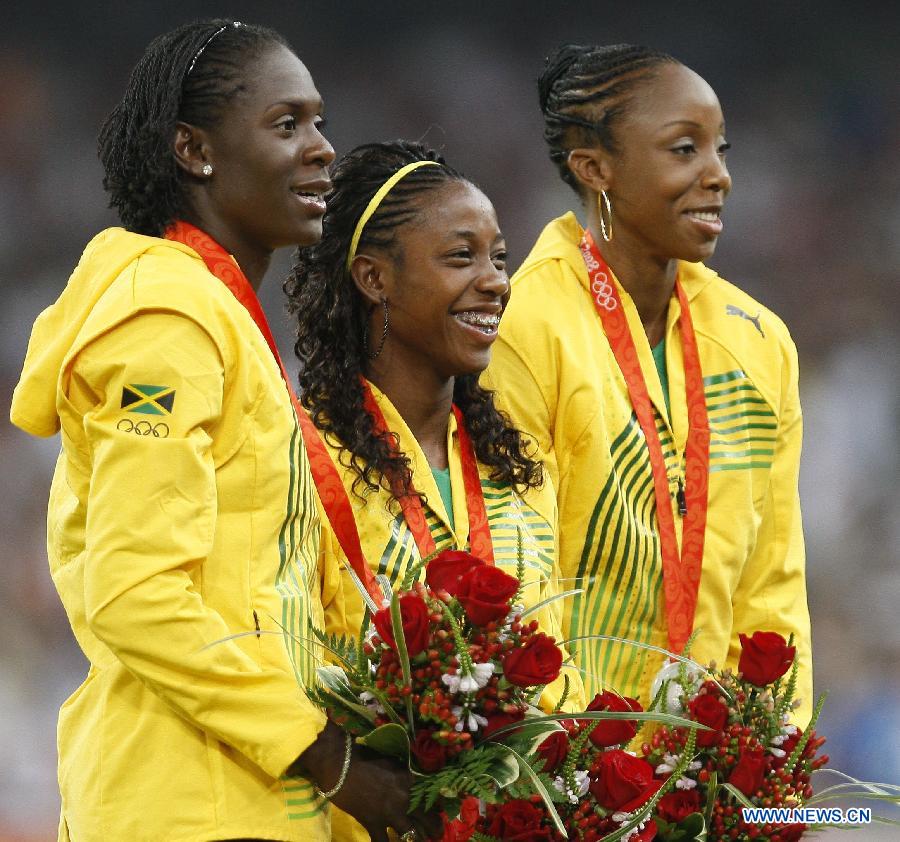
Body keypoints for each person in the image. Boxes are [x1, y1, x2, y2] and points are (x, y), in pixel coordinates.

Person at [10, 21, 434, 842]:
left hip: (251, 795)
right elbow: (136, 593)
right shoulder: (166, 322)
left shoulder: (219, 315)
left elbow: (257, 596)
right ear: (194, 152)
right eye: (287, 125)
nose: (322, 150)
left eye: (319, 122)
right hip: (185, 799)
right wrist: (331, 758)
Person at [482, 44, 813, 726]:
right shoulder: (523, 327)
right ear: (595, 168)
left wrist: (774, 752)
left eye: (721, 150)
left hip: (709, 773)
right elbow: (516, 574)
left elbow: (771, 583)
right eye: (684, 150)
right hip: (570, 768)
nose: (718, 176)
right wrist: (589, 761)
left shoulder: (757, 342)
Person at [287, 140, 586, 841]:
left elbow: (556, 666)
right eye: (461, 257)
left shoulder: (519, 469)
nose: (495, 282)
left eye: (500, 258)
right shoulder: (302, 458)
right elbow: (291, 672)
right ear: (373, 278)